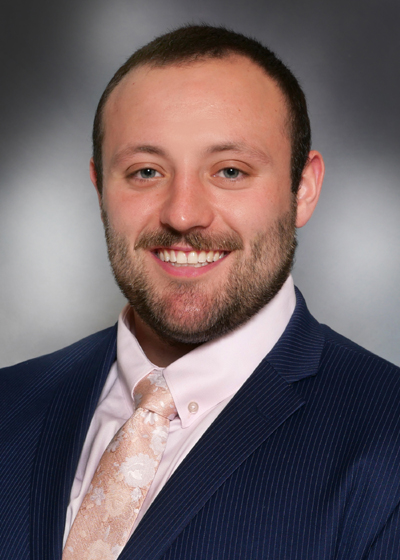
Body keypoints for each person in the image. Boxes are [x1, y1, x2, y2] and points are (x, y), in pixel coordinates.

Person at [1, 24, 400, 560]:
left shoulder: (387, 439)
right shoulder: (9, 403)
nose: (183, 214)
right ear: (99, 189)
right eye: (146, 171)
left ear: (302, 189)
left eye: (230, 171)